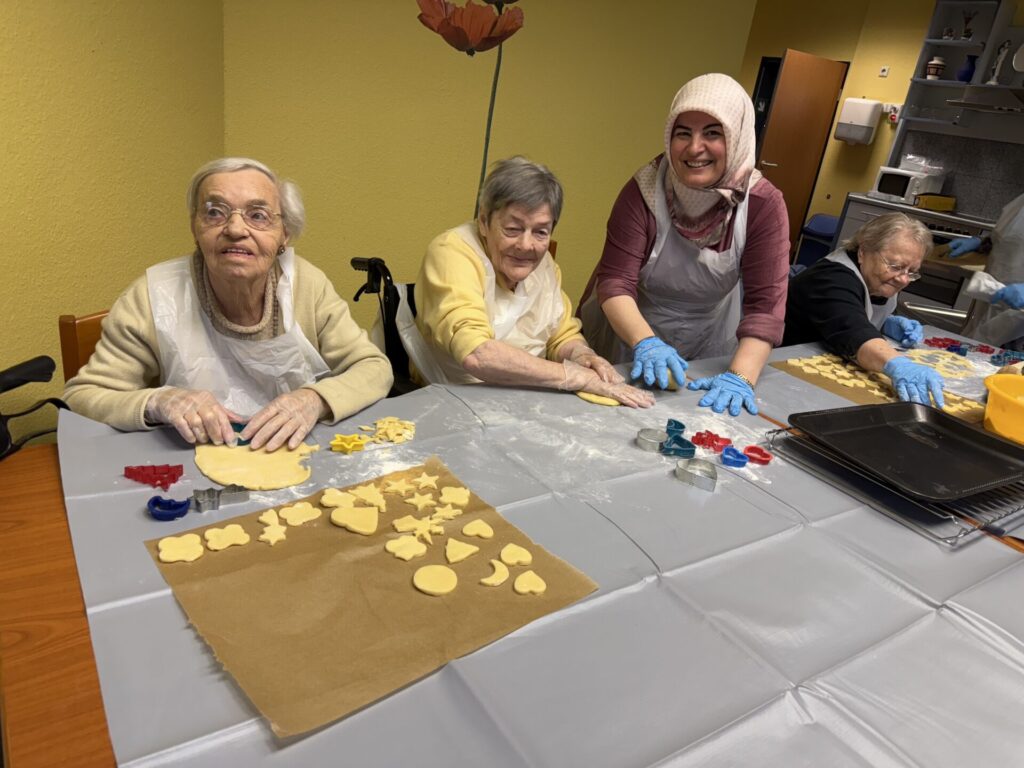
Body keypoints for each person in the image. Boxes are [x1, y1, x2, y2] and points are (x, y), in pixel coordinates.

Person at [64, 158, 393, 450]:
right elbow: (82, 396)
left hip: (299, 455)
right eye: (215, 212)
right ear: (195, 227)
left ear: (285, 235)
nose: (235, 229)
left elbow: (374, 369)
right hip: (189, 469)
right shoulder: (152, 296)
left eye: (258, 216)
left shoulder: (308, 285)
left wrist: (314, 400)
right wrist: (157, 401)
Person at [578, 73, 790, 417]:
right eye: (682, 133)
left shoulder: (763, 205)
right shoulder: (644, 191)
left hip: (712, 335)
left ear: (737, 136)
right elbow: (615, 281)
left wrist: (740, 378)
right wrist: (645, 343)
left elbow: (766, 307)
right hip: (631, 329)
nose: (694, 148)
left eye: (712, 133)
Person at [410, 156, 654, 407]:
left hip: (521, 397)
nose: (526, 245)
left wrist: (582, 355)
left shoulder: (545, 265)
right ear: (484, 222)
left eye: (540, 232)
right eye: (513, 229)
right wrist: (572, 376)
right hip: (449, 398)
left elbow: (561, 335)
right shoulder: (452, 253)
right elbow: (477, 354)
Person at [783, 212, 945, 407]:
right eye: (895, 266)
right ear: (863, 251)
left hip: (829, 365)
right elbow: (852, 329)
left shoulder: (879, 278)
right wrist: (898, 364)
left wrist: (886, 323)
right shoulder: (832, 277)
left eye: (912, 272)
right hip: (785, 368)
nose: (903, 279)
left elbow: (858, 310)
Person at [951, 191, 1024, 349]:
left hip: (1019, 322)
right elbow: (1006, 238)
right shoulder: (1020, 201)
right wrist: (982, 243)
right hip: (993, 298)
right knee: (977, 354)